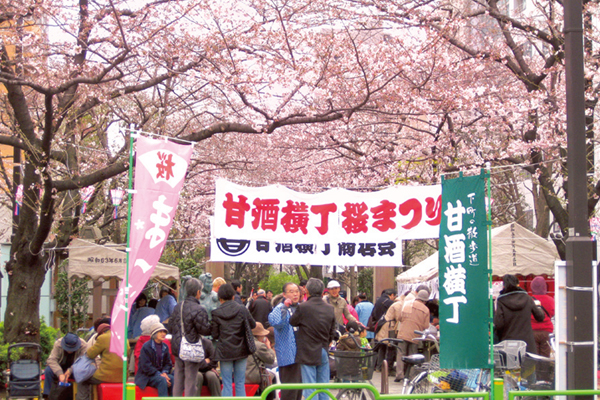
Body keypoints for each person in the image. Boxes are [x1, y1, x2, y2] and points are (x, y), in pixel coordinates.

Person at [290, 278, 336, 400]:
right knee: (323, 386)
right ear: (322, 292)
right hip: (323, 349)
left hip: (307, 351)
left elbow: (292, 321)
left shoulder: (303, 307)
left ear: (307, 291)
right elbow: (333, 330)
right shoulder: (329, 308)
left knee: (310, 386)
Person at [168, 277, 211, 397]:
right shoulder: (199, 309)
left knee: (178, 380)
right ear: (198, 292)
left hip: (177, 347)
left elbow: (170, 327)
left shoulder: (178, 307)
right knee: (191, 382)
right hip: (191, 348)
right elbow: (205, 329)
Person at [212, 283, 257, 397]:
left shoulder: (216, 313)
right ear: (233, 296)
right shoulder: (242, 309)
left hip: (224, 351)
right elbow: (252, 324)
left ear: (220, 298)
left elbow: (215, 334)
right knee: (240, 382)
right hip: (241, 350)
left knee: (227, 383)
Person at [76, 323, 129, 400]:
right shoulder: (124, 338)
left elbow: (90, 354)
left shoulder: (103, 338)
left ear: (102, 332)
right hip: (123, 377)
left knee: (83, 379)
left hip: (105, 376)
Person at [494, 274, 545, 354]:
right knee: (528, 366)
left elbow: (499, 324)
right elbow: (540, 317)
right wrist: (538, 306)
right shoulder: (527, 298)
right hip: (527, 345)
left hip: (508, 345)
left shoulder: (501, 300)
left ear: (504, 286)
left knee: (510, 366)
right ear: (518, 284)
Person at [268, 282, 302, 400]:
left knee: (299, 389)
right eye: (291, 292)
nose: (295, 294)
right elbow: (276, 323)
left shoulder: (301, 307)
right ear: (284, 294)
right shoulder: (279, 308)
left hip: (301, 353)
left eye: (297, 291)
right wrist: (284, 308)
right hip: (287, 354)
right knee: (289, 390)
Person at [395, 290, 430, 382]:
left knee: (400, 353)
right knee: (413, 355)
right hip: (415, 334)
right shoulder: (425, 309)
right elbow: (426, 326)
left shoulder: (407, 303)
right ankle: (411, 376)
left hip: (403, 333)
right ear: (425, 300)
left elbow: (399, 317)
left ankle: (399, 374)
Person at [43, 332, 88, 398]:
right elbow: (51, 360)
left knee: (83, 373)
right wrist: (60, 373)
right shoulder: (58, 343)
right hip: (60, 367)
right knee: (48, 370)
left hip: (75, 370)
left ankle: (80, 396)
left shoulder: (83, 345)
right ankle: (48, 396)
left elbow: (83, 362)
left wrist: (70, 370)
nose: (69, 351)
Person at [135, 323, 173, 397]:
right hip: (146, 376)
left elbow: (168, 363)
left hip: (160, 374)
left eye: (164, 332)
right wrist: (160, 374)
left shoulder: (165, 346)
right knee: (162, 380)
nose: (163, 334)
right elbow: (146, 366)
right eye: (160, 332)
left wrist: (164, 373)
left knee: (172, 379)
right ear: (154, 334)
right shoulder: (146, 346)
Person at [245, 322, 276, 400]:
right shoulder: (259, 345)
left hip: (240, 376)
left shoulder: (242, 343)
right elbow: (271, 359)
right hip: (253, 377)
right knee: (272, 376)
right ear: (259, 335)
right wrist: (269, 347)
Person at [370, 288, 397, 371]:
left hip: (378, 325)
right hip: (386, 326)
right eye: (394, 296)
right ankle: (387, 368)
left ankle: (378, 366)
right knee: (389, 347)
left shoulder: (378, 301)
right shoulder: (390, 303)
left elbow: (373, 314)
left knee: (380, 347)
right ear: (391, 295)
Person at [530, 276, 555, 357]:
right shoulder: (551, 300)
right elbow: (552, 313)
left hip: (532, 330)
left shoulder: (529, 300)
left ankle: (536, 370)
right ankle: (545, 369)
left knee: (534, 356)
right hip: (546, 330)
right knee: (545, 355)